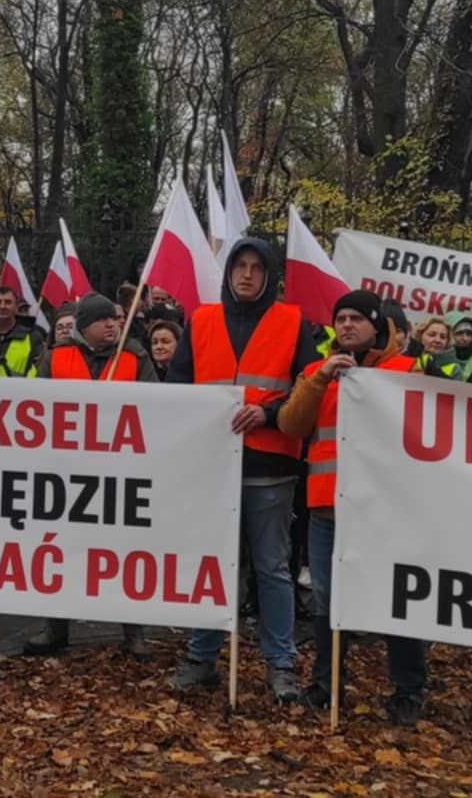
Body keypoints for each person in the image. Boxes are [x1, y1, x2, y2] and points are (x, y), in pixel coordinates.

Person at [165, 239, 327, 703]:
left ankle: (280, 665)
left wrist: (270, 414)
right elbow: (177, 387)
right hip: (213, 468)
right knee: (214, 566)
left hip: (270, 466)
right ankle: (202, 656)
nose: (248, 275)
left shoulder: (292, 322)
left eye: (257, 268)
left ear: (269, 276)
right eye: (240, 266)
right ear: (229, 271)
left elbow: (308, 388)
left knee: (273, 569)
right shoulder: (201, 320)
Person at [277, 288, 426, 722]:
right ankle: (326, 684)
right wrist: (321, 377)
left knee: (396, 600)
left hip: (384, 511)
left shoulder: (406, 370)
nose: (345, 325)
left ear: (376, 325)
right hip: (326, 509)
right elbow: (291, 424)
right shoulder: (315, 371)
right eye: (340, 317)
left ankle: (408, 692)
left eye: (356, 318)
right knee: (327, 599)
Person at [24, 293, 158, 659]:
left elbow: (159, 407)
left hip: (121, 475)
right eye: (104, 320)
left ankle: (133, 631)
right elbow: (36, 409)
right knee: (61, 550)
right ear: (84, 327)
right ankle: (56, 628)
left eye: (116, 319)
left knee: (124, 554)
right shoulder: (55, 357)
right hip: (68, 475)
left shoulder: (135, 357)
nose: (113, 324)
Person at [418, 311, 472, 385]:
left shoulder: (454, 369)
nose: (465, 338)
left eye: (469, 334)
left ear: (448, 340)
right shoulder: (409, 357)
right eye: (459, 333)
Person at [0, 285, 44, 377]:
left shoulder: (32, 337)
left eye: (8, 302)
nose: (2, 306)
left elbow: (39, 372)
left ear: (16, 306)